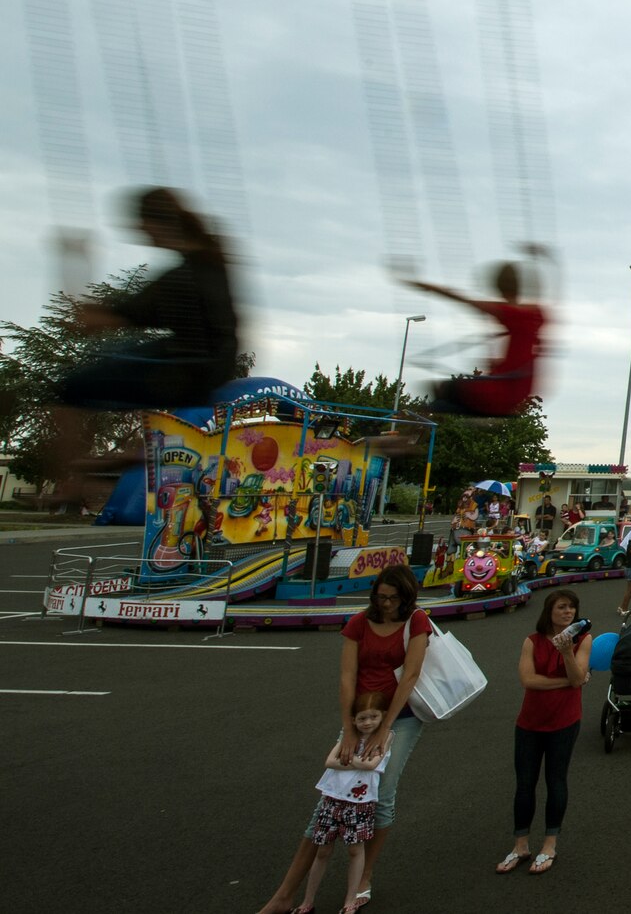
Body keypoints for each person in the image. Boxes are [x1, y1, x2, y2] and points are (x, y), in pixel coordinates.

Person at [254, 565, 429, 914]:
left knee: (382, 796)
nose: (387, 605)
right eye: (381, 597)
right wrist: (349, 729)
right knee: (330, 799)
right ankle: (285, 895)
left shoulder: (416, 622)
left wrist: (385, 730)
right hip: (360, 718)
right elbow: (347, 677)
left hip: (401, 719)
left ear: (406, 597)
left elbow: (410, 677)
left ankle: (363, 877)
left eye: (394, 599)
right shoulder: (359, 623)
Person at [48, 188, 239, 487]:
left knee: (69, 389)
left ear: (157, 223)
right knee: (130, 354)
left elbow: (96, 322)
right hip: (214, 371)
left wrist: (74, 260)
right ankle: (142, 452)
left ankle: (69, 485)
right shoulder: (213, 264)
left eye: (142, 226)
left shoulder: (178, 281)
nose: (141, 233)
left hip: (182, 372)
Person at [498, 589, 592, 874]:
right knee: (524, 783)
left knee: (555, 779)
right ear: (549, 611)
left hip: (564, 720)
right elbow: (528, 680)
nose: (568, 613)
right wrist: (567, 682)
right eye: (562, 607)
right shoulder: (533, 641)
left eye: (572, 608)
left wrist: (566, 653)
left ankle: (550, 843)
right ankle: (520, 844)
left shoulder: (583, 640)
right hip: (529, 721)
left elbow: (577, 677)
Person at [399, 247, 551, 419]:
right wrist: (543, 260)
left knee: (440, 390)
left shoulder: (508, 313)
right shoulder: (537, 313)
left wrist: (419, 284)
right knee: (444, 401)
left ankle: (405, 438)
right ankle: (471, 416)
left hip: (495, 394)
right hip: (519, 393)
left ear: (499, 288)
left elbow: (457, 297)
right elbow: (544, 292)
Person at [294, 688, 389, 914]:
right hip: (332, 799)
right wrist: (357, 761)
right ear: (353, 720)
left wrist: (347, 760)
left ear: (383, 716)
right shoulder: (347, 736)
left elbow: (371, 765)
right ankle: (307, 901)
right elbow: (329, 761)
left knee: (355, 851)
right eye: (362, 718)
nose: (368, 723)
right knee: (322, 851)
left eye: (374, 717)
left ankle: (349, 901)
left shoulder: (385, 737)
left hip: (361, 802)